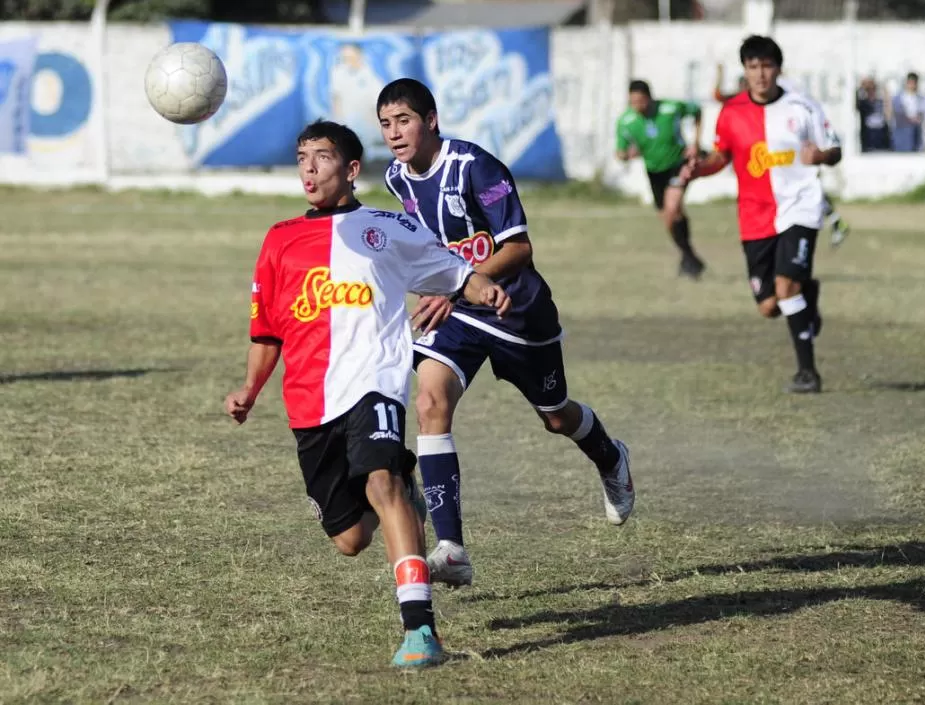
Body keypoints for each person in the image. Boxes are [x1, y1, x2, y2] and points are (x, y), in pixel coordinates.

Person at [223, 119, 510, 667]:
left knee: (382, 483)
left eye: (322, 157)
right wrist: (250, 388)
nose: (308, 167)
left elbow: (450, 270)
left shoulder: (387, 227)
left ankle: (420, 632)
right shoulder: (279, 238)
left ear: (351, 169)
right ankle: (405, 493)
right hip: (309, 400)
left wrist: (483, 287)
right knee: (351, 539)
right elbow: (266, 330)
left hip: (374, 381)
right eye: (302, 156)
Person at [376, 78, 634, 587]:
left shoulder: (476, 167)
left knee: (557, 418)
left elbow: (519, 249)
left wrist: (460, 286)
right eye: (385, 124)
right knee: (430, 402)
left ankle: (610, 455)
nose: (394, 133)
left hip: (516, 313)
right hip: (460, 315)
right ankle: (451, 549)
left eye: (403, 120)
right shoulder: (396, 178)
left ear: (430, 119)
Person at [682, 36, 841, 394]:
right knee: (769, 305)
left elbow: (835, 149)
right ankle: (807, 296)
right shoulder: (731, 112)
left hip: (800, 205)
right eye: (753, 67)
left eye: (766, 66)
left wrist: (822, 157)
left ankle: (807, 374)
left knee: (786, 289)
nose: (760, 74)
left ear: (778, 69)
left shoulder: (803, 106)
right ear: (745, 71)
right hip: (754, 215)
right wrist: (698, 169)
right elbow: (720, 157)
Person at [715, 66, 849, 248]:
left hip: (794, 162)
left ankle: (834, 222)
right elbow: (718, 96)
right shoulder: (740, 106)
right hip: (764, 180)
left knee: (804, 191)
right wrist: (719, 73)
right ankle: (835, 222)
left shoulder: (789, 98)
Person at [616, 80, 706, 278]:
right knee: (669, 218)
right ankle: (689, 256)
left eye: (641, 101)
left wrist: (696, 143)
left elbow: (697, 111)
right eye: (633, 102)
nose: (637, 106)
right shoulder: (626, 121)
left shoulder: (670, 108)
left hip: (678, 164)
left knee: (673, 207)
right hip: (654, 171)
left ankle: (689, 259)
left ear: (650, 97)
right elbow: (620, 152)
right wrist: (627, 154)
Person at [891, 72, 925, 153]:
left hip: (916, 135)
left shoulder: (921, 99)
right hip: (902, 135)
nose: (912, 85)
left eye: (914, 83)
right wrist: (910, 119)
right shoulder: (898, 98)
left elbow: (924, 115)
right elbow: (896, 115)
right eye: (910, 82)